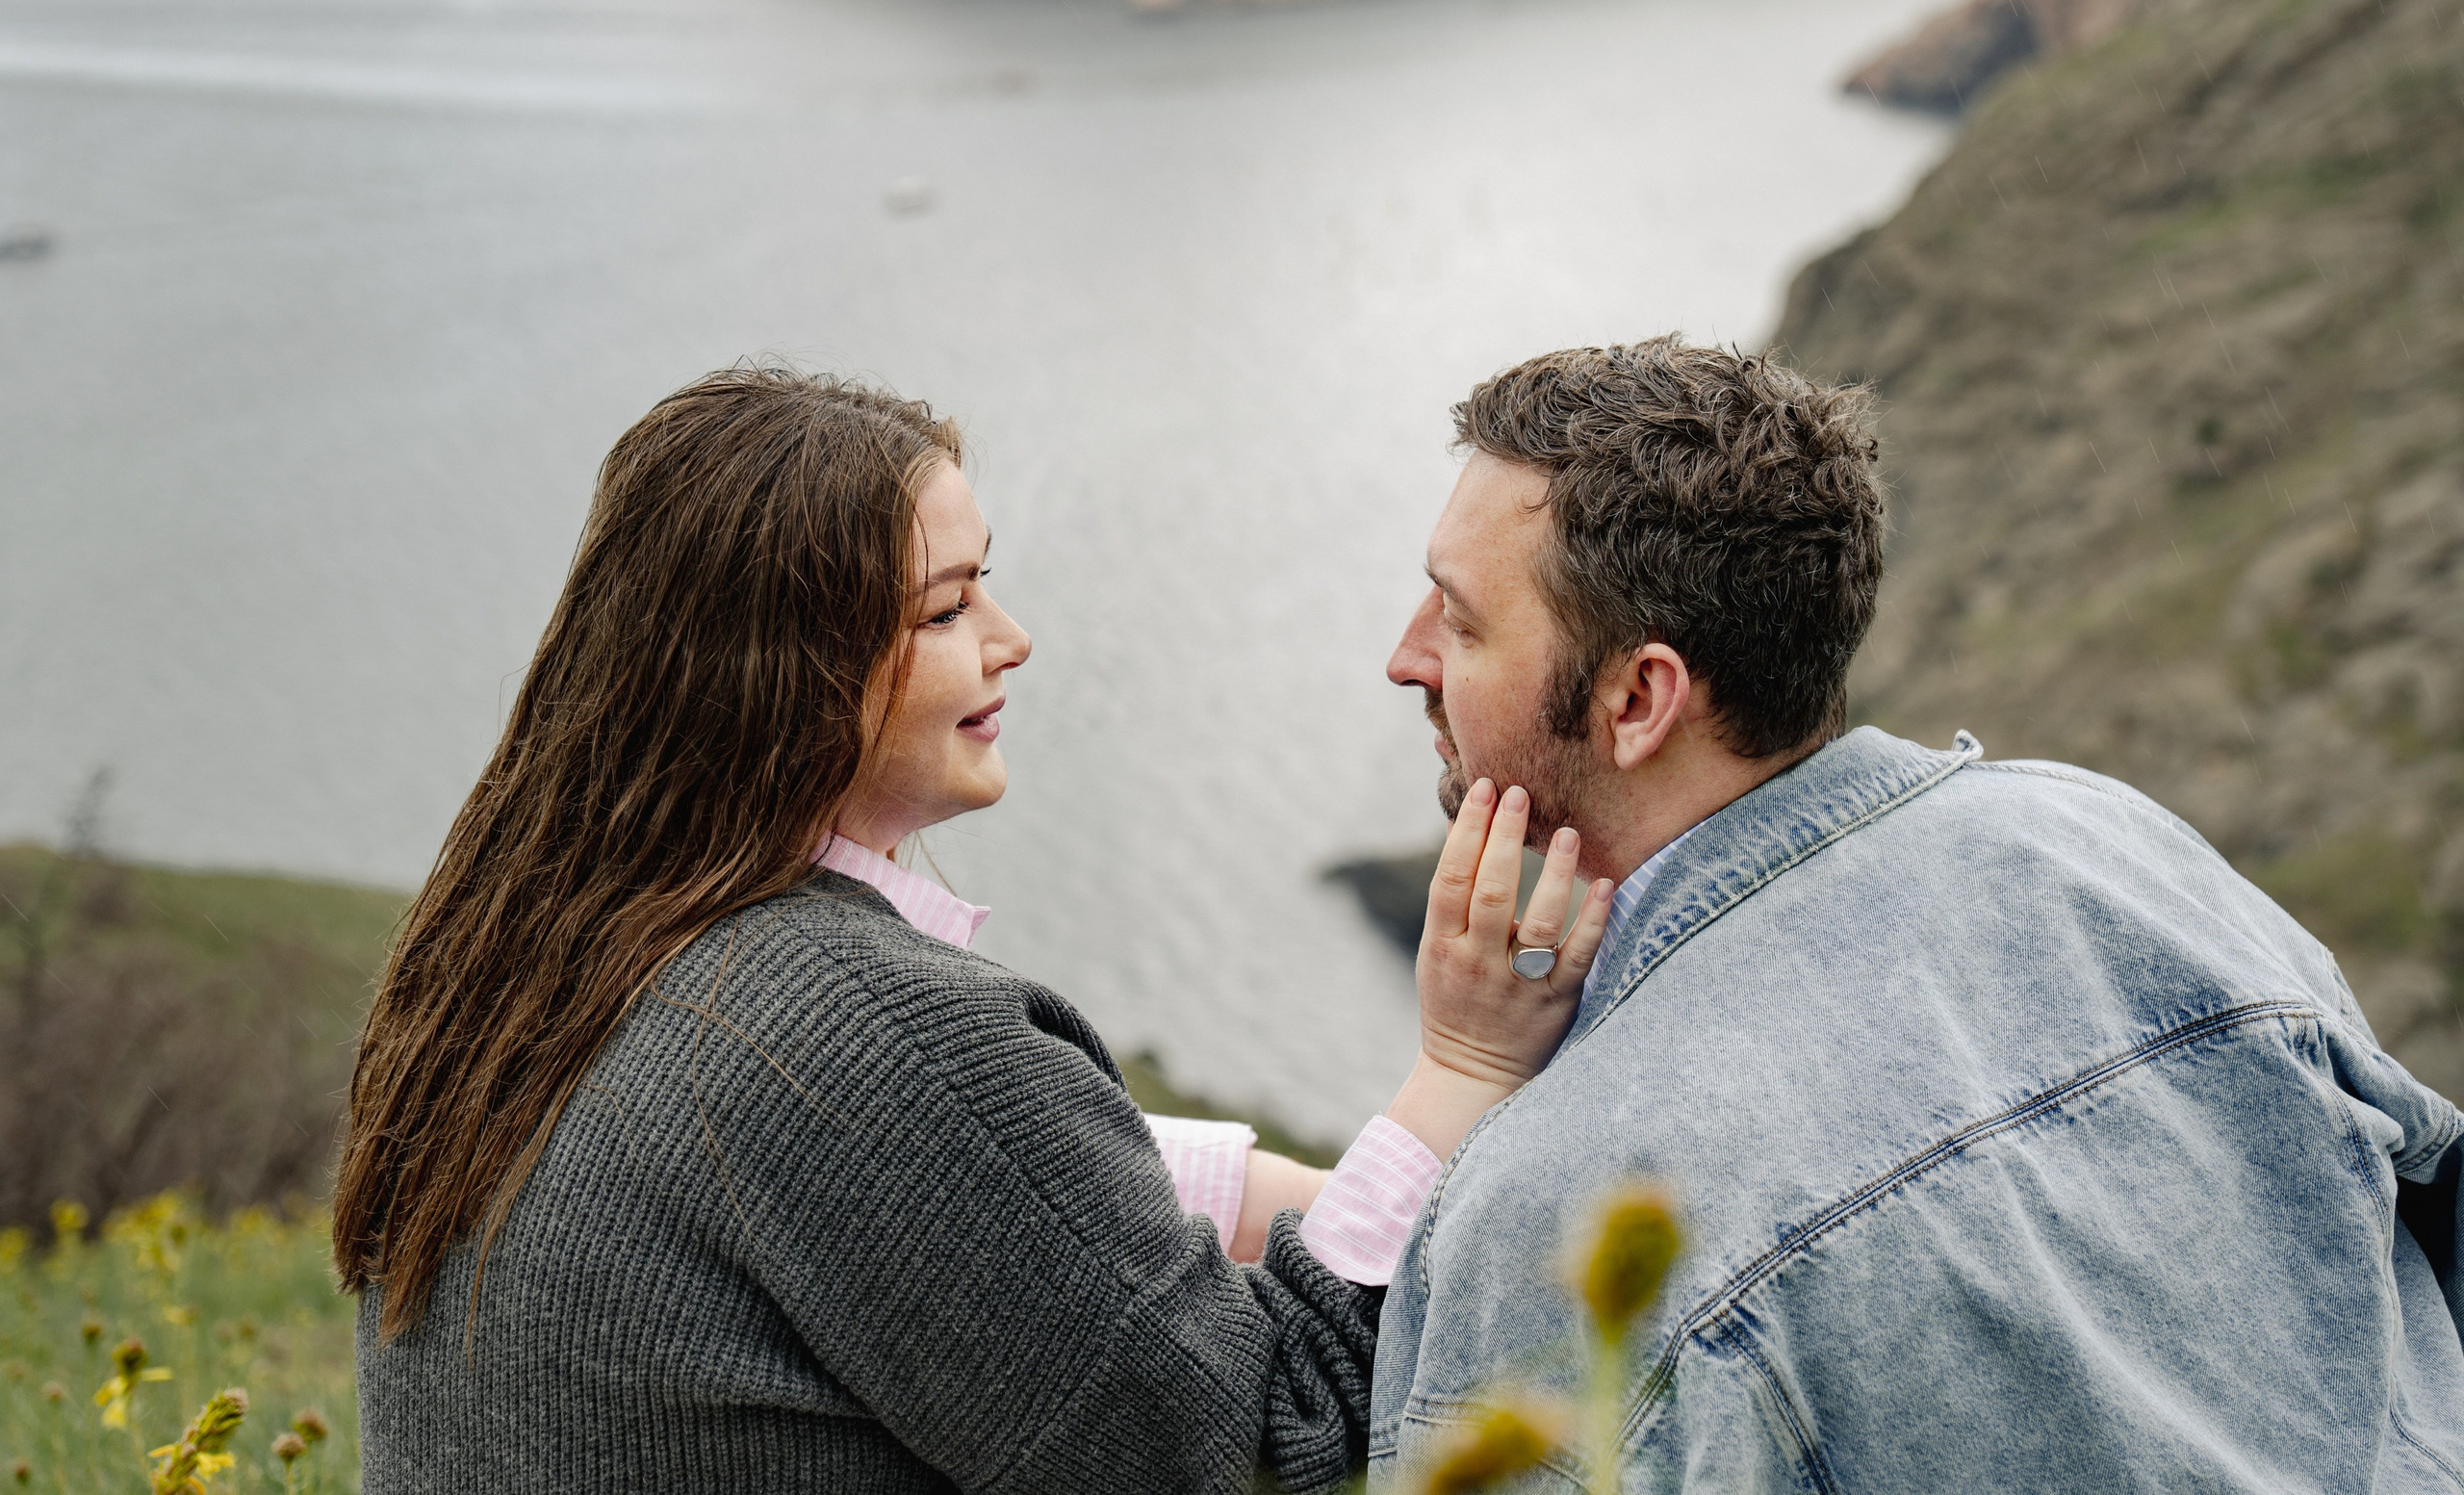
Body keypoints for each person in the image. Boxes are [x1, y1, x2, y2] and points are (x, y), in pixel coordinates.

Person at [332, 366, 1616, 1494]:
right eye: (947, 608)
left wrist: (1274, 1190)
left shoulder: (542, 952)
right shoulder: (846, 1023)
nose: (1011, 640)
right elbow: (1255, 1435)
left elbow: (974, 1183)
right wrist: (1463, 1068)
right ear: (788, 668)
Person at [1369, 338, 2464, 1489]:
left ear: (1639, 699)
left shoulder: (1564, 1220)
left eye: (1459, 619)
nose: (1407, 659)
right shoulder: (2121, 848)